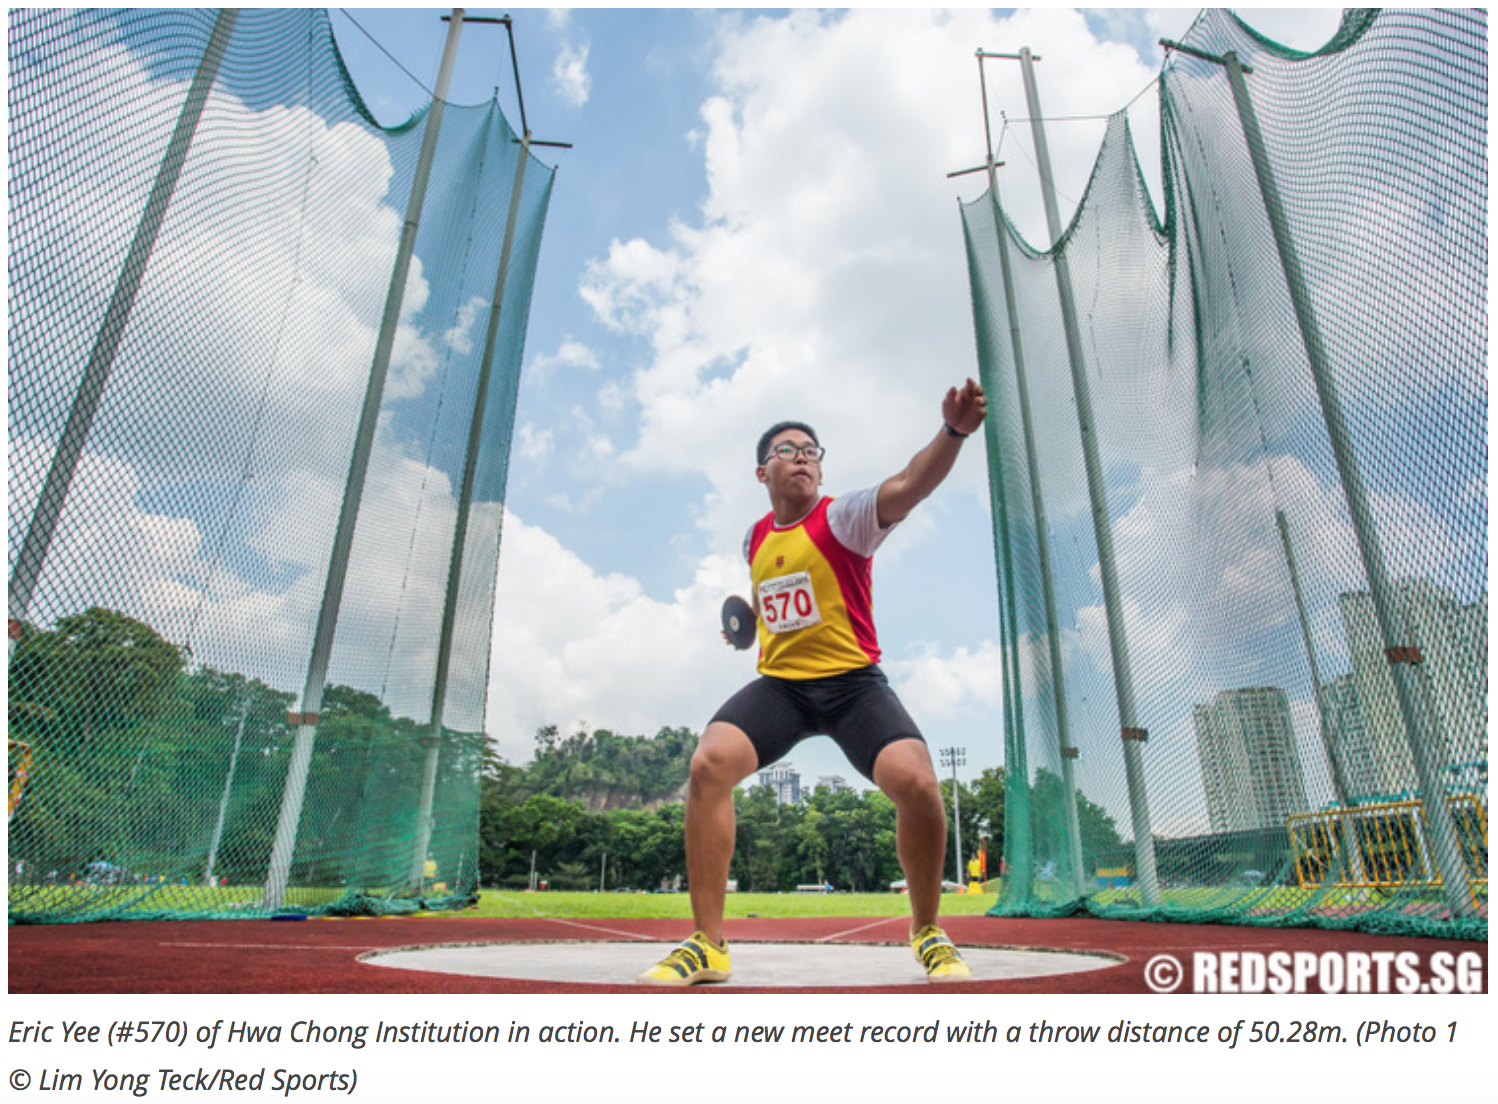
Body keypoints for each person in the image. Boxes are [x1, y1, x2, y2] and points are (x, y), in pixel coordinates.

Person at [638, 379, 988, 985]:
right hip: (782, 687)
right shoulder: (753, 539)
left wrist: (953, 432)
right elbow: (770, 601)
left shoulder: (847, 517)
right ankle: (707, 944)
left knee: (920, 785)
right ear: (761, 472)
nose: (802, 455)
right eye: (787, 448)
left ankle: (927, 929)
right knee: (708, 765)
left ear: (820, 471)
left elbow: (910, 483)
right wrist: (747, 629)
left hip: (853, 685)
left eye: (811, 450)